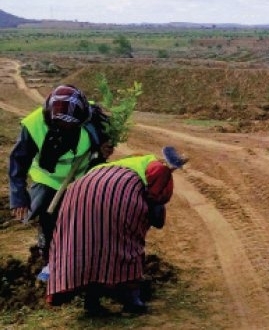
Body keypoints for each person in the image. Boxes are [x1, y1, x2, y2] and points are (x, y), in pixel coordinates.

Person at [46, 152, 180, 316]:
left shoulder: (124, 164)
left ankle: (91, 302)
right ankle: (132, 302)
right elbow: (156, 198)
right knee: (125, 244)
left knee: (83, 241)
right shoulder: (158, 169)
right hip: (116, 193)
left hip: (78, 192)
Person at [8, 84, 113, 280]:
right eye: (61, 126)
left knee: (88, 216)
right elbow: (18, 162)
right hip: (47, 176)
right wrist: (18, 197)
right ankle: (49, 261)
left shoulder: (93, 116)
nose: (66, 129)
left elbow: (104, 144)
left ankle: (86, 260)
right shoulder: (33, 126)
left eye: (71, 126)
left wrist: (104, 148)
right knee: (49, 215)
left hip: (82, 175)